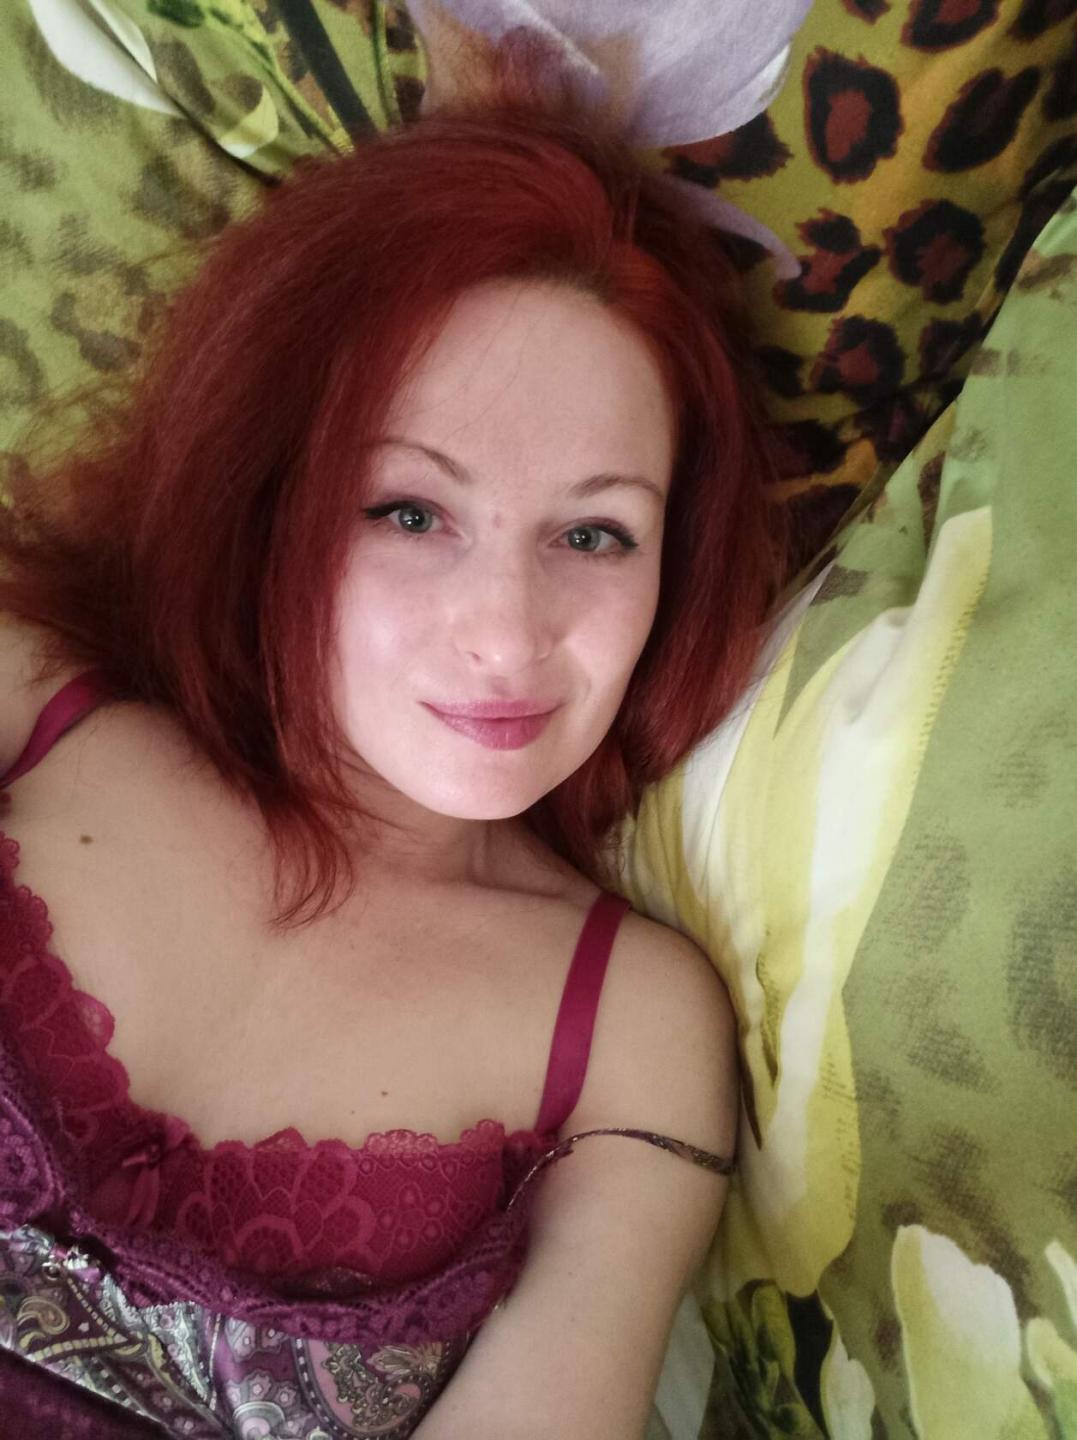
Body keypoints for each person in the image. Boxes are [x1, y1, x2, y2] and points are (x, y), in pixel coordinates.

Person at [0, 89, 782, 1439]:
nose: (508, 635)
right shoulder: (31, 692)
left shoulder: (632, 1030)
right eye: (411, 511)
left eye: (594, 535)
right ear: (273, 492)